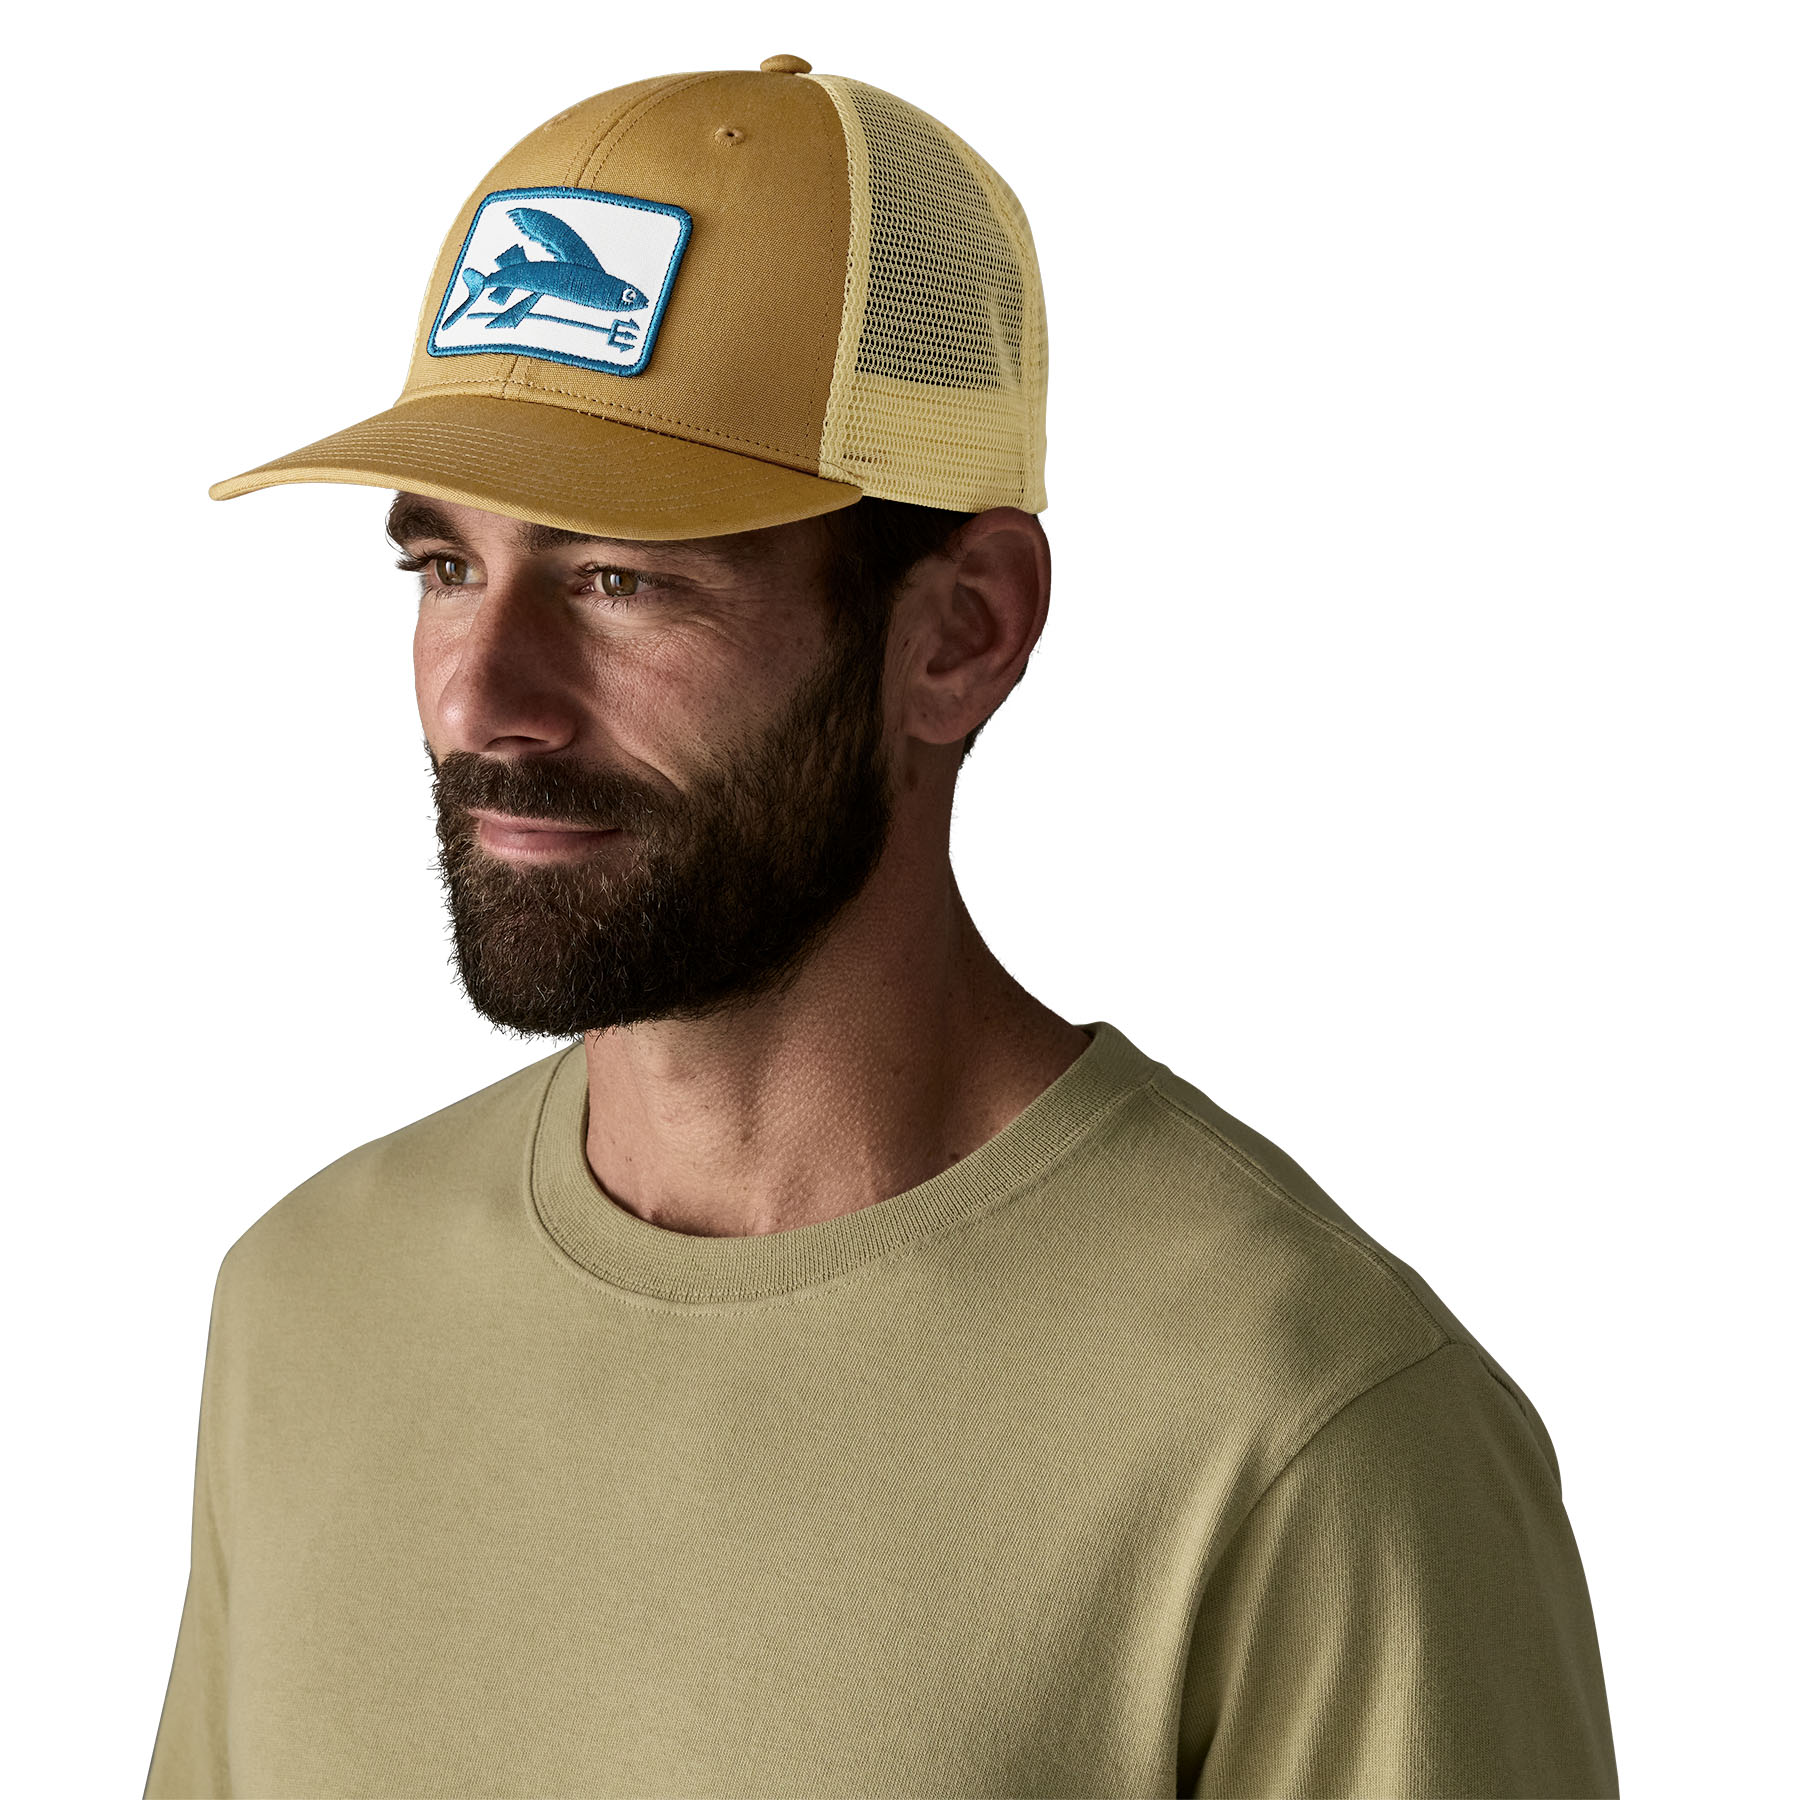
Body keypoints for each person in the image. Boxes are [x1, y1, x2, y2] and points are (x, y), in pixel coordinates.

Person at [146, 54, 1618, 1800]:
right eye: (445, 567)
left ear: (961, 632)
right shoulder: (308, 1307)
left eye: (619, 578)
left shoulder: (1303, 1434)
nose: (483, 699)